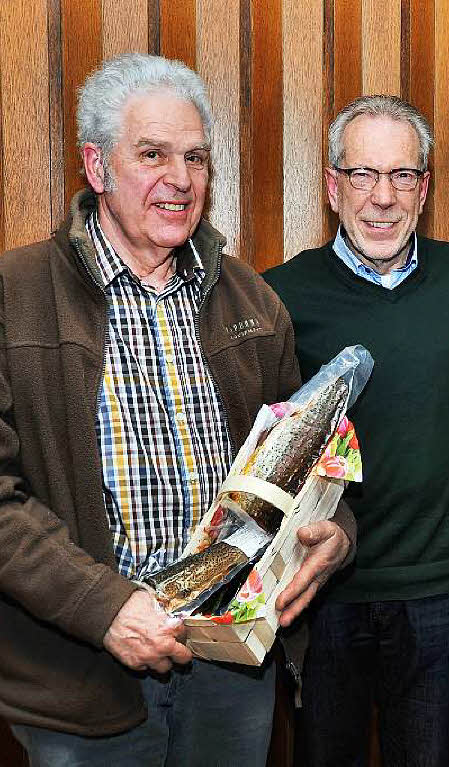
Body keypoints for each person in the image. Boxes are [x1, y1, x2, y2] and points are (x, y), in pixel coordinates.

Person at [0, 53, 354, 766]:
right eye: (153, 154)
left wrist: (335, 530)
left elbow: (305, 461)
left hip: (230, 665)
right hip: (83, 681)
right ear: (97, 167)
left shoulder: (253, 301)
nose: (181, 179)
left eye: (195, 157)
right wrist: (106, 608)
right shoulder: (16, 293)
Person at [263, 94, 449, 767]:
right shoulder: (280, 295)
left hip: (439, 593)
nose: (383, 197)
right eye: (363, 174)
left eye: (402, 175)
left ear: (424, 189)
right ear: (333, 186)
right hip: (320, 594)